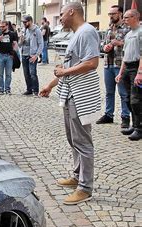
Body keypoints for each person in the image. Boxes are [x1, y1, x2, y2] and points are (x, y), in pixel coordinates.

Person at [39, 2, 101, 205]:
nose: (61, 17)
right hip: (69, 93)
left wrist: (64, 72)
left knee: (83, 142)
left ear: (72, 12)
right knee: (73, 139)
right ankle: (77, 176)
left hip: (81, 96)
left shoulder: (87, 31)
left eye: (62, 13)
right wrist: (51, 84)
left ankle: (85, 188)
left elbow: (92, 63)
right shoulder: (76, 34)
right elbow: (69, 67)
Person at [96, 5, 131, 128]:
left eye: (113, 14)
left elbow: (132, 45)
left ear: (120, 14)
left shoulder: (128, 29)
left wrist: (119, 43)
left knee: (123, 93)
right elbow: (103, 45)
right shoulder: (109, 29)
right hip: (108, 64)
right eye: (109, 14)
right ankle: (108, 115)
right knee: (109, 92)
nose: (111, 16)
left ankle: (125, 117)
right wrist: (104, 48)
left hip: (120, 64)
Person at [116, 9, 142, 140]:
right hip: (127, 68)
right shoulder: (128, 34)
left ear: (135, 17)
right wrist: (121, 73)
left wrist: (140, 73)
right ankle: (134, 124)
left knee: (136, 100)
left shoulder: (140, 32)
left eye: (127, 17)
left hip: (137, 68)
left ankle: (139, 128)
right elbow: (125, 56)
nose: (124, 19)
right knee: (127, 99)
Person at [19, 15, 44, 96]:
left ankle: (35, 90)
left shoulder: (36, 31)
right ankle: (29, 89)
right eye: (23, 22)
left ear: (30, 21)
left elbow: (41, 44)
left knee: (32, 73)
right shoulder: (24, 30)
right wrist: (21, 41)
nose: (23, 23)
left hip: (32, 55)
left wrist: (36, 55)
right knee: (26, 74)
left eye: (25, 22)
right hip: (24, 54)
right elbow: (20, 44)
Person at [0, 21, 18, 95]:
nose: (1, 28)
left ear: (7, 26)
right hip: (0, 55)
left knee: (8, 74)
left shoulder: (12, 34)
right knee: (0, 74)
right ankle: (1, 89)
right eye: (0, 26)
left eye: (3, 26)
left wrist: (14, 53)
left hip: (9, 56)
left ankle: (7, 89)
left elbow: (15, 44)